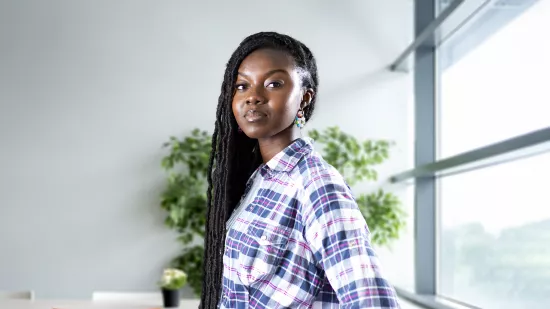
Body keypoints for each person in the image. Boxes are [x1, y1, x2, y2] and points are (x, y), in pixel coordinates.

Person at [201, 31, 401, 309]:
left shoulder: (316, 184)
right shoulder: (259, 179)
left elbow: (372, 302)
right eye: (242, 86)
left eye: (273, 83)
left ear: (304, 99)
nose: (253, 97)